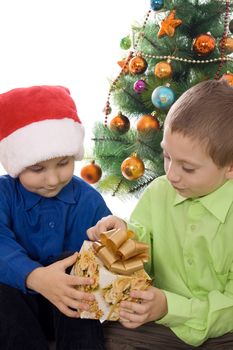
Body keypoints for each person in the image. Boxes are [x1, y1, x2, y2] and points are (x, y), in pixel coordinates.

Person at [87, 79, 233, 349]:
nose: (172, 174)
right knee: (105, 337)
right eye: (167, 156)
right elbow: (143, 245)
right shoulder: (160, 191)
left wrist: (171, 307)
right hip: (164, 324)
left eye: (188, 168)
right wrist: (121, 234)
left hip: (224, 329)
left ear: (230, 167)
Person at [0, 85, 111, 350]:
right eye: (38, 169)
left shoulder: (87, 199)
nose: (53, 180)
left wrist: (111, 235)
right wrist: (34, 276)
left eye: (63, 164)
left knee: (75, 264)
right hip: (18, 312)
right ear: (15, 164)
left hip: (71, 311)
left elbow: (108, 251)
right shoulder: (4, 194)